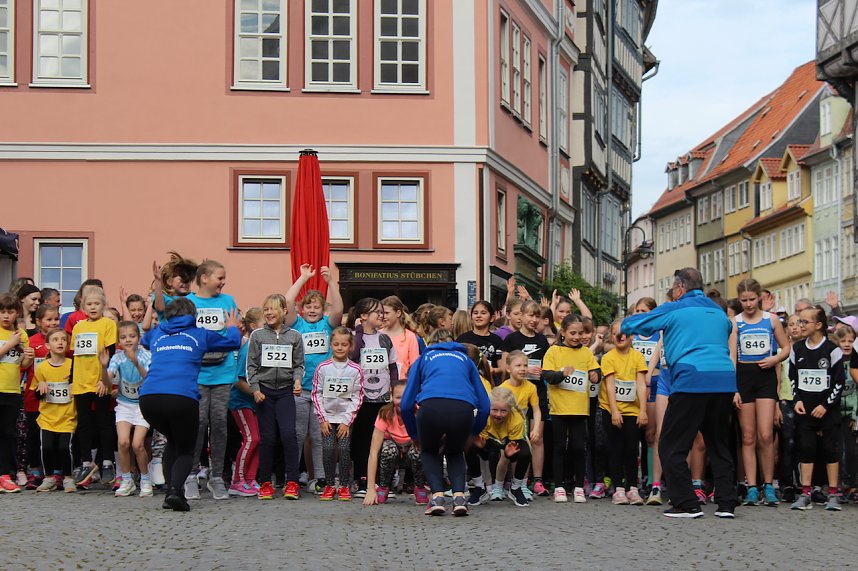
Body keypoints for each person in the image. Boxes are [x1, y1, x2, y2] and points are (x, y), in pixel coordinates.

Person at [621, 267, 738, 519]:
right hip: (724, 380)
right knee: (719, 443)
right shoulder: (717, 310)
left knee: (671, 444)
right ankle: (727, 503)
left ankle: (686, 503)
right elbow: (726, 331)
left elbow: (634, 324)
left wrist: (628, 323)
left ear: (679, 288)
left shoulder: (675, 307)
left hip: (691, 379)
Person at [139, 298, 241, 512]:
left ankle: (170, 493)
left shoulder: (158, 333)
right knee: (186, 447)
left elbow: (145, 340)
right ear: (193, 317)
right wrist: (231, 327)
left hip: (149, 398)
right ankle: (175, 491)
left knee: (173, 442)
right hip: (181, 397)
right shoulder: (199, 334)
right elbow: (233, 342)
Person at [401, 330, 490, 516]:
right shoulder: (466, 360)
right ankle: (459, 498)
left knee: (430, 450)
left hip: (431, 407)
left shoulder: (424, 358)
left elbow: (406, 404)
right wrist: (473, 432)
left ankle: (437, 497)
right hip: (463, 409)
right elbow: (485, 406)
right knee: (455, 452)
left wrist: (415, 435)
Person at [729, 279, 790, 507]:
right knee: (747, 436)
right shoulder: (735, 323)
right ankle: (751, 486)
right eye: (743, 300)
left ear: (760, 298)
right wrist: (733, 388)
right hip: (743, 376)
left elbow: (786, 348)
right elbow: (732, 357)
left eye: (752, 299)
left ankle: (768, 485)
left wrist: (774, 359)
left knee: (766, 434)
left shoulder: (770, 320)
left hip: (764, 376)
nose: (748, 304)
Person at [285, 263, 343, 494]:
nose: (312, 310)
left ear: (322, 309)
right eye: (308, 306)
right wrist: (302, 278)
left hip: (322, 390)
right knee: (298, 435)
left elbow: (338, 308)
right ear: (302, 308)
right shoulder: (296, 324)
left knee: (321, 435)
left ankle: (321, 477)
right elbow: (287, 302)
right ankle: (293, 476)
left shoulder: (326, 325)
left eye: (316, 306)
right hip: (299, 388)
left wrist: (330, 283)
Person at [185, 260, 240, 501]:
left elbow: (234, 331)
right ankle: (190, 475)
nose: (223, 281)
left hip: (222, 373)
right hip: (197, 373)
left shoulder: (228, 301)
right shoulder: (189, 303)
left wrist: (231, 328)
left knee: (218, 423)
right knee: (196, 423)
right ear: (204, 278)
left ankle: (216, 476)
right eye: (220, 276)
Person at [247, 294, 305, 501]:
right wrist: (255, 389)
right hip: (265, 392)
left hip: (286, 392)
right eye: (266, 310)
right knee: (268, 438)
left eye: (273, 309)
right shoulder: (257, 335)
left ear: (284, 312)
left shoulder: (295, 336)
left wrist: (297, 381)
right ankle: (265, 482)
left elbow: (299, 364)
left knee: (289, 435)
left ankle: (292, 481)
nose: (269, 313)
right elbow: (251, 365)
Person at [789, 306, 845, 512]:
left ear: (819, 325)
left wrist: (826, 405)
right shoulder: (797, 349)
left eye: (805, 322)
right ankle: (805, 493)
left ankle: (832, 493)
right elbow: (793, 378)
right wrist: (798, 400)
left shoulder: (832, 350)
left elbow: (839, 382)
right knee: (806, 449)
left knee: (830, 450)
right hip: (806, 409)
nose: (800, 325)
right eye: (799, 321)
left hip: (827, 410)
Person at [542, 314, 600, 504]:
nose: (576, 337)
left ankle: (577, 486)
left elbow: (596, 371)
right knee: (559, 447)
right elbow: (548, 375)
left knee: (578, 448)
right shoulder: (553, 352)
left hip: (580, 409)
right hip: (559, 409)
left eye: (580, 333)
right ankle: (559, 486)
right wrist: (561, 374)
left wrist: (595, 376)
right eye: (572, 333)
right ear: (563, 332)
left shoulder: (585, 353)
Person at [348, 298, 399, 498]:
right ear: (363, 316)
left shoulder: (385, 339)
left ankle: (381, 480)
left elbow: (393, 365)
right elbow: (352, 356)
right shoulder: (354, 336)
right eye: (376, 312)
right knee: (361, 438)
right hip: (361, 397)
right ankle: (361, 478)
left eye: (382, 312)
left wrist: (393, 389)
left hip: (382, 397)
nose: (381, 315)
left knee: (381, 439)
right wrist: (359, 331)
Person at [69, 287, 117, 489]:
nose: (93, 307)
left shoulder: (107, 324)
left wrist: (105, 380)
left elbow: (111, 353)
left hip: (99, 381)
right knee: (84, 424)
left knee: (104, 422)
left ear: (103, 305)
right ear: (83, 307)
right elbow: (75, 356)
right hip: (80, 382)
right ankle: (86, 462)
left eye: (97, 304)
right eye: (89, 304)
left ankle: (107, 462)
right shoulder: (78, 327)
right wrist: (71, 380)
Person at [311, 327, 364, 502]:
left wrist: (347, 421)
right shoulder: (322, 368)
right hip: (327, 417)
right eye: (336, 344)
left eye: (344, 345)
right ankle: (328, 484)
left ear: (350, 347)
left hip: (345, 418)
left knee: (343, 448)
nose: (340, 348)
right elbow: (316, 393)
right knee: (327, 448)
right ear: (330, 345)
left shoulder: (355, 369)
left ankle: (343, 485)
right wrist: (322, 418)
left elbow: (357, 396)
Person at [600, 319, 648, 506]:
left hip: (633, 410)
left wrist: (643, 410)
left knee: (631, 449)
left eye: (624, 333)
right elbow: (610, 386)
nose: (620, 336)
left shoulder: (637, 357)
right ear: (611, 336)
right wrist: (614, 411)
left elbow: (641, 385)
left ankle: (633, 487)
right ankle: (618, 488)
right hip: (611, 409)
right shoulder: (608, 358)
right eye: (616, 333)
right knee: (615, 448)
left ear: (632, 335)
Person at [363, 380, 428, 506]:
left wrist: (436, 490)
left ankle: (419, 487)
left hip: (413, 456)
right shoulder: (385, 414)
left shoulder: (420, 413)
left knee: (418, 449)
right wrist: (370, 489)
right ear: (392, 397)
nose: (403, 402)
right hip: (392, 456)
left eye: (407, 397)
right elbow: (373, 452)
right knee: (388, 448)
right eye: (398, 397)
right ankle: (383, 487)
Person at [108, 321, 152, 498]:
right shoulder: (117, 357)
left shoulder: (146, 355)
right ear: (119, 340)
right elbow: (108, 378)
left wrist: (136, 362)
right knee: (123, 442)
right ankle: (127, 480)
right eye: (124, 337)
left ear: (138, 338)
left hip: (143, 405)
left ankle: (145, 479)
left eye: (132, 336)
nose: (128, 340)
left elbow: (149, 378)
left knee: (137, 444)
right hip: (125, 405)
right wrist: (104, 371)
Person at [33, 328, 77, 493]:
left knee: (65, 448)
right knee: (47, 448)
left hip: (67, 416)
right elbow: (36, 393)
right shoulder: (42, 367)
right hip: (47, 416)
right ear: (47, 345)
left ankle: (68, 478)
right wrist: (40, 387)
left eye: (63, 340)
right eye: (55, 340)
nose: (60, 342)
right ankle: (49, 478)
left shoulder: (72, 365)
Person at [21, 304, 60, 489]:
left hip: (57, 401)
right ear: (38, 322)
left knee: (56, 437)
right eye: (49, 319)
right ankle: (35, 470)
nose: (53, 323)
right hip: (34, 399)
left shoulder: (62, 341)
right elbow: (23, 367)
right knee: (34, 436)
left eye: (56, 319)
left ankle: (57, 471)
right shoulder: (32, 342)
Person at [473, 387, 532, 507]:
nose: (498, 414)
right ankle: (479, 487)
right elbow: (483, 443)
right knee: (468, 445)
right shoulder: (482, 415)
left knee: (525, 452)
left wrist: (509, 453)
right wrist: (481, 446)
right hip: (489, 439)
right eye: (494, 410)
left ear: (510, 409)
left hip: (508, 440)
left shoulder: (517, 420)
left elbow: (512, 444)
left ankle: (515, 488)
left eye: (503, 411)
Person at [228, 308, 263, 497]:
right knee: (251, 438)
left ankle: (250, 479)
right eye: (264, 325)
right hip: (241, 401)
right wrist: (256, 393)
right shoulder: (249, 347)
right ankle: (237, 480)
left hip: (253, 402)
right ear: (252, 326)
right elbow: (238, 380)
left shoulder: (260, 347)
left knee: (258, 439)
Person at [498, 350, 542, 499]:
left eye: (525, 365)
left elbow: (536, 410)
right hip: (505, 427)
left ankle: (521, 485)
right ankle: (498, 486)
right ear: (509, 368)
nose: (523, 369)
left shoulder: (531, 387)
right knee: (504, 456)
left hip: (521, 426)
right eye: (518, 365)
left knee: (525, 454)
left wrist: (536, 428)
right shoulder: (503, 387)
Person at [0, 294, 32, 493]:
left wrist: (28, 357)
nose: (5, 316)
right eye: (2, 312)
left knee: (7, 434)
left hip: (12, 390)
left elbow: (22, 365)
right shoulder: (11, 338)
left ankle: (4, 475)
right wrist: (10, 345)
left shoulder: (22, 334)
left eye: (10, 312)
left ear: (17, 313)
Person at [456, 301, 504, 376]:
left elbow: (502, 368)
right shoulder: (463, 339)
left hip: (489, 382)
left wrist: (492, 370)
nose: (479, 316)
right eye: (475, 313)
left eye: (483, 313)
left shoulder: (497, 340)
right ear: (471, 317)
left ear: (492, 318)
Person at [381, 296, 421, 379]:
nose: (383, 316)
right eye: (381, 313)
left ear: (398, 313)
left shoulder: (410, 336)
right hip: (382, 384)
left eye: (387, 313)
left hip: (402, 385)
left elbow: (414, 366)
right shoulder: (378, 334)